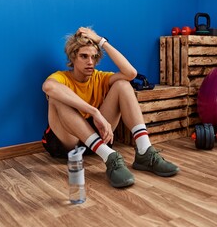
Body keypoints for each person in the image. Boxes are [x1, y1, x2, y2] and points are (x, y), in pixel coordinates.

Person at [41, 27, 179, 188]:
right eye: (84, 56)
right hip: (69, 142)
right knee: (56, 98)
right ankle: (110, 157)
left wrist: (101, 41)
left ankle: (144, 152)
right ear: (73, 57)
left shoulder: (99, 77)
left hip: (97, 138)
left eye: (93, 57)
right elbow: (48, 87)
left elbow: (131, 73)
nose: (90, 62)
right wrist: (94, 111)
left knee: (123, 84)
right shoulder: (62, 77)